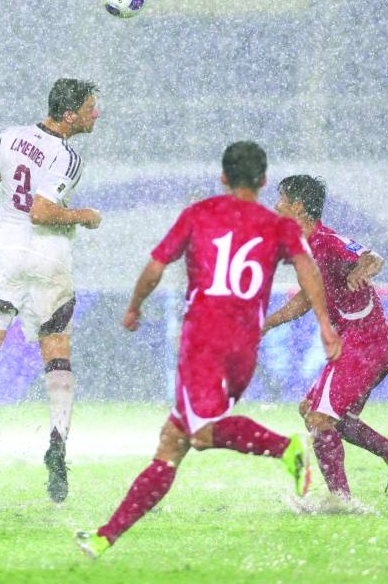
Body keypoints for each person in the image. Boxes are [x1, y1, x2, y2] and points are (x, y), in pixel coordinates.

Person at [74, 141, 342, 559]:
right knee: (172, 442)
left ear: (223, 177)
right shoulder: (279, 227)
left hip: (204, 342)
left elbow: (155, 267)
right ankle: (105, 536)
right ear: (264, 180)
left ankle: (285, 447)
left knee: (199, 432)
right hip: (244, 350)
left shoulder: (199, 215)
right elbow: (307, 267)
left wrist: (133, 306)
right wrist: (325, 324)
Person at [0, 78, 102, 503]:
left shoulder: (10, 136)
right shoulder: (67, 156)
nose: (96, 115)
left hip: (6, 250)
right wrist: (84, 215)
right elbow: (43, 212)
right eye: (90, 108)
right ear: (69, 114)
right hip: (48, 257)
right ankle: (58, 442)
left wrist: (5, 169)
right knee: (56, 351)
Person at [264, 174, 388, 504]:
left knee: (321, 419)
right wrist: (265, 324)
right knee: (312, 411)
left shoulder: (329, 241)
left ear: (298, 207)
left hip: (367, 344)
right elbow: (306, 299)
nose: (275, 206)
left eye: (281, 200)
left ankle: (340, 501)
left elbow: (372, 257)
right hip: (360, 344)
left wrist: (363, 269)